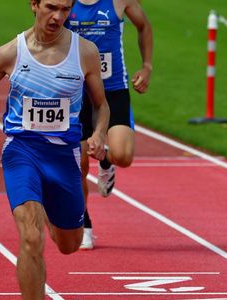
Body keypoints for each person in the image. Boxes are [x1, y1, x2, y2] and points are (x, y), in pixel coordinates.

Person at [0, 0, 110, 298]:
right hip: (22, 151)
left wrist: (98, 133)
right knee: (31, 239)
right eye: (51, 7)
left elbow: (101, 105)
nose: (58, 16)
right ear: (34, 5)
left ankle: (49, 209)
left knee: (69, 245)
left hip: (64, 155)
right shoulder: (11, 52)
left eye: (66, 9)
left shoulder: (85, 52)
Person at [65, 0, 153, 249]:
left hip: (113, 89)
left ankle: (105, 161)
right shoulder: (65, 3)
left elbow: (144, 25)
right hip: (75, 92)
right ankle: (85, 225)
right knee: (78, 165)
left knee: (123, 156)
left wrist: (147, 66)